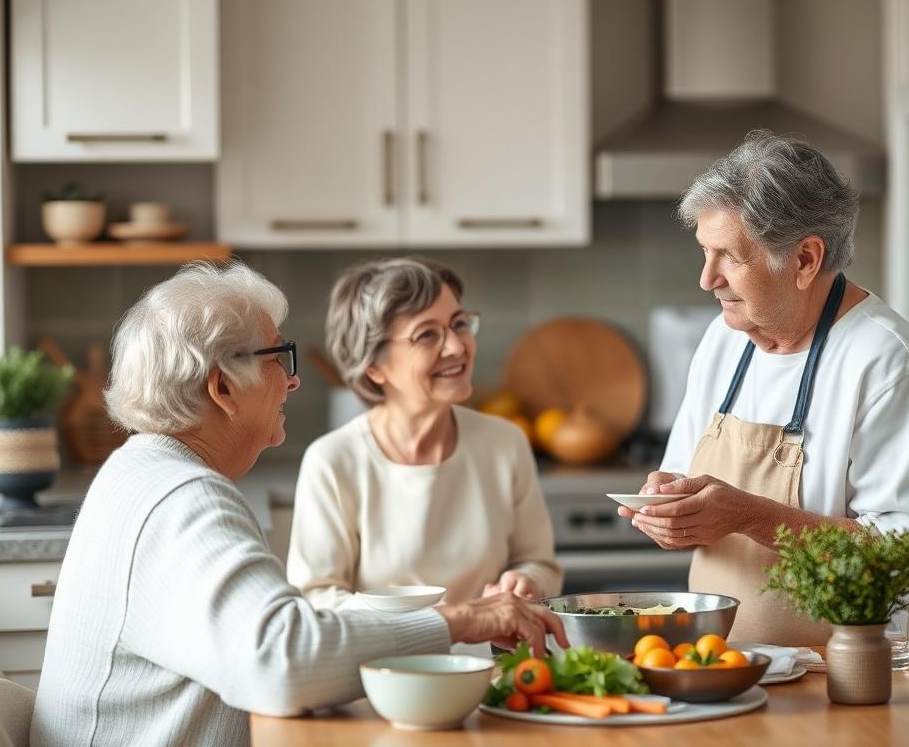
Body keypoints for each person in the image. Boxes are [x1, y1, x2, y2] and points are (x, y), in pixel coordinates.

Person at [30, 262, 567, 747]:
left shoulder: (142, 471)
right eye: (279, 357)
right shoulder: (184, 500)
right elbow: (283, 662)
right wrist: (463, 619)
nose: (294, 379)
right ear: (222, 387)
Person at [618, 130, 909, 646]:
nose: (707, 279)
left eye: (729, 256)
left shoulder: (888, 362)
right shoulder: (721, 339)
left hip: (842, 682)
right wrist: (671, 505)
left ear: (805, 260)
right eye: (705, 253)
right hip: (721, 669)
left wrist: (750, 516)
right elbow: (687, 476)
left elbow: (907, 561)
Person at [287, 257, 562, 610]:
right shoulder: (333, 461)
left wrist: (527, 581)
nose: (458, 347)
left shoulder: (505, 443)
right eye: (427, 334)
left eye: (459, 324)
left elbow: (541, 563)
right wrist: (450, 621)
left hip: (492, 663)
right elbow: (317, 598)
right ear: (374, 366)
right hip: (382, 664)